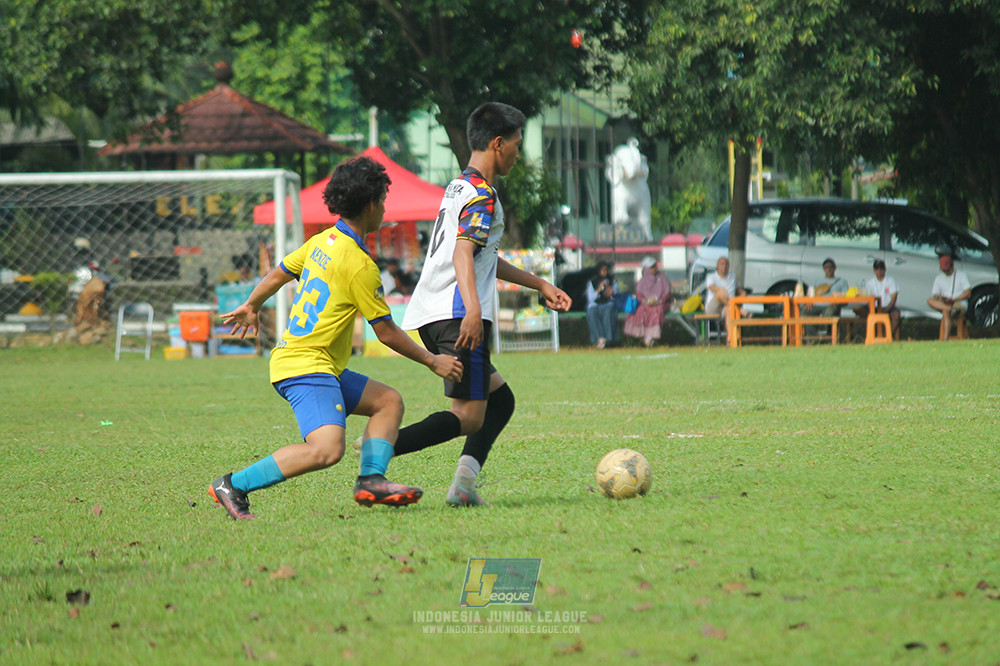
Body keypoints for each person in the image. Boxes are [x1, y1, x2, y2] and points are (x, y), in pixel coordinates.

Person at [207, 156, 463, 520]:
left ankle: (371, 480)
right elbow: (386, 332)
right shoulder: (359, 264)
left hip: (310, 362)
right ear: (371, 204)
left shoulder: (322, 241)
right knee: (327, 449)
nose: (385, 208)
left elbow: (279, 273)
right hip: (306, 366)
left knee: (388, 402)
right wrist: (432, 360)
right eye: (383, 201)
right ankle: (233, 485)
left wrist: (252, 304)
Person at [396, 102, 572, 506]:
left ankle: (463, 486)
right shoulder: (482, 195)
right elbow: (463, 252)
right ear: (498, 143)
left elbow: (482, 256)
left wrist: (538, 283)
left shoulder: (460, 186)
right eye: (517, 144)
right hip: (458, 314)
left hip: (437, 311)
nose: (518, 153)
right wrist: (474, 311)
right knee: (469, 416)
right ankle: (380, 446)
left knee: (500, 401)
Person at [624, 256, 672, 347]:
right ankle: (644, 336)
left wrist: (659, 301)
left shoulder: (662, 278)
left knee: (656, 310)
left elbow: (667, 294)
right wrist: (645, 302)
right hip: (646, 304)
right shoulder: (642, 281)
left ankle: (650, 337)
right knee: (640, 310)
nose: (653, 269)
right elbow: (639, 295)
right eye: (651, 268)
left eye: (654, 267)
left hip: (661, 304)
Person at [928, 249, 971, 340]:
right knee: (930, 300)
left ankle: (945, 338)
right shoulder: (939, 278)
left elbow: (968, 293)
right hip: (945, 303)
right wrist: (940, 298)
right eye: (944, 270)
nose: (945, 271)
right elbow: (935, 295)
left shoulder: (961, 275)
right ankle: (950, 309)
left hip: (959, 303)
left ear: (952, 265)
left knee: (945, 311)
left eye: (947, 270)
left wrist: (954, 299)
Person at [853, 259, 901, 340]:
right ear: (874, 270)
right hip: (874, 307)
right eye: (877, 269)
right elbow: (868, 297)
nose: (879, 271)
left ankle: (887, 336)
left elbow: (894, 298)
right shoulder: (870, 283)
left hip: (888, 306)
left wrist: (886, 310)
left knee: (896, 315)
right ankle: (874, 327)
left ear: (885, 270)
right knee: (856, 308)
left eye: (881, 269)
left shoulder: (891, 281)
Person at [703, 256, 746, 339]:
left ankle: (730, 339)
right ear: (717, 266)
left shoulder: (733, 276)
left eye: (726, 264)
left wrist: (743, 293)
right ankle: (739, 310)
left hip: (727, 307)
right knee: (720, 293)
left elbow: (738, 289)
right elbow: (712, 287)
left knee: (729, 309)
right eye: (722, 264)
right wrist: (721, 290)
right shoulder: (711, 277)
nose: (724, 266)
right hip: (714, 308)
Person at [585, 261, 619, 348]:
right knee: (592, 312)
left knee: (608, 312)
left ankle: (609, 339)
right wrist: (599, 289)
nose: (605, 272)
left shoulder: (613, 281)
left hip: (608, 304)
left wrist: (609, 290)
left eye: (606, 270)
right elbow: (591, 299)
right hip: (595, 305)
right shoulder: (592, 282)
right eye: (603, 270)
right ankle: (600, 338)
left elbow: (614, 296)